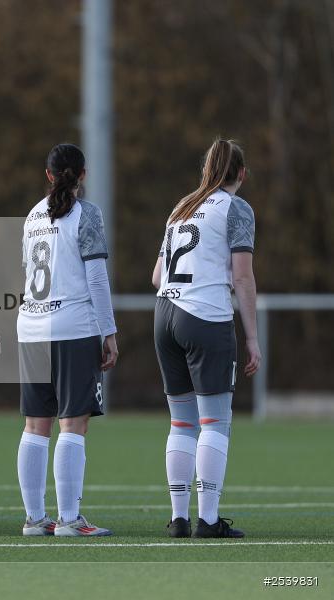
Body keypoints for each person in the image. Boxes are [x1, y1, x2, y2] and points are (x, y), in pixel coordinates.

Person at [152, 138, 259, 539]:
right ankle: (208, 520)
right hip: (205, 317)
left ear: (206, 170)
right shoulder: (236, 208)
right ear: (242, 174)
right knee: (215, 422)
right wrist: (252, 338)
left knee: (182, 423)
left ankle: (179, 518)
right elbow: (243, 276)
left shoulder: (181, 206)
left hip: (164, 315)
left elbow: (157, 277)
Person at [15, 143, 118, 537]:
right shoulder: (86, 213)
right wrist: (109, 331)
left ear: (48, 175)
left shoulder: (32, 216)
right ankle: (71, 520)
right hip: (72, 326)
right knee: (72, 425)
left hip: (31, 327)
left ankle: (35, 519)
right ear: (83, 175)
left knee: (34, 425)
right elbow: (96, 279)